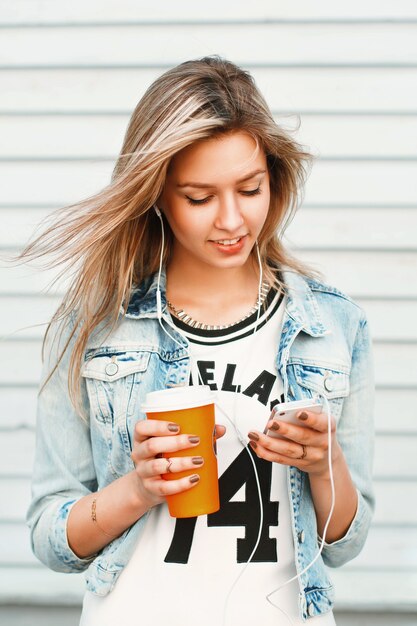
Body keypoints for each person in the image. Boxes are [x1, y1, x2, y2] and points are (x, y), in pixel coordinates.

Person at [24, 56, 374, 625]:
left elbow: (344, 544)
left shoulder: (334, 328)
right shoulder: (91, 327)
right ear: (158, 194)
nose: (232, 219)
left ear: (274, 181)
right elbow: (49, 536)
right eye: (199, 197)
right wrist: (138, 489)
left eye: (250, 188)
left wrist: (324, 462)